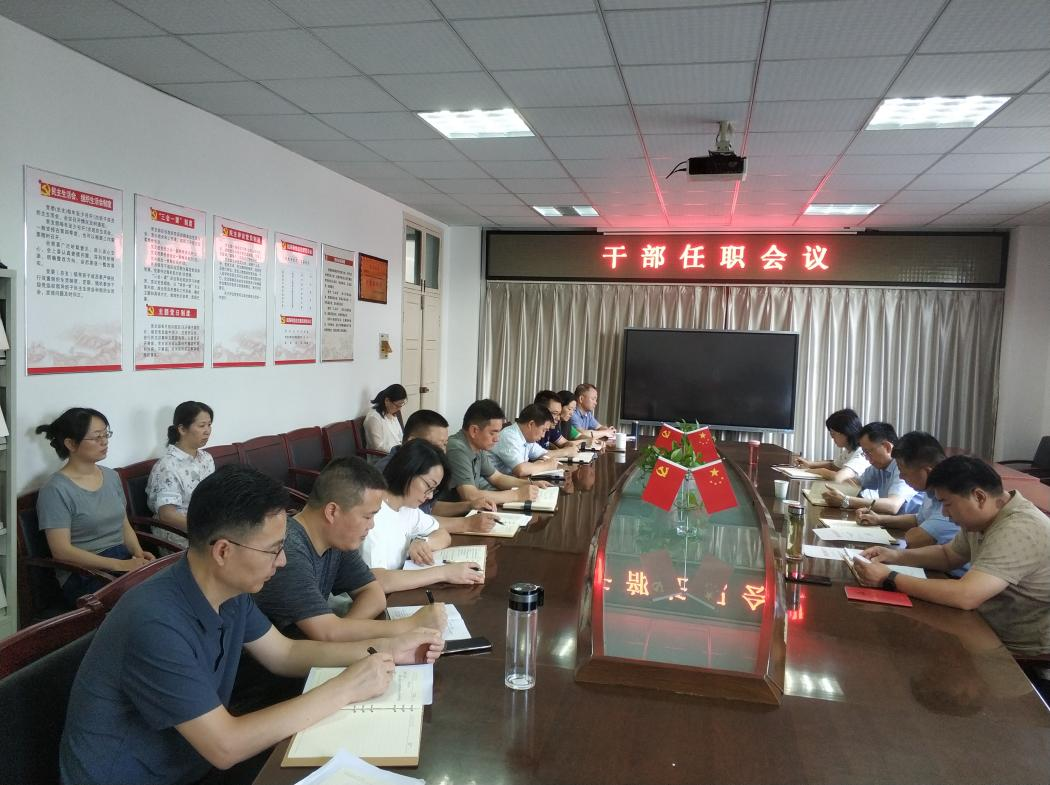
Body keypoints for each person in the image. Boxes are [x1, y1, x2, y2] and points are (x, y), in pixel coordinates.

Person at [59, 465, 443, 785]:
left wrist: (387, 649)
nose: (282, 561)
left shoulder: (229, 590)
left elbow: (285, 653)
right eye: (273, 550)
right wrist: (346, 688)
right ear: (223, 551)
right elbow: (225, 745)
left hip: (191, 764)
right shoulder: (155, 621)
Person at [852, 456, 1050, 656]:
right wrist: (895, 556)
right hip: (979, 626)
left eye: (947, 504)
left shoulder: (1019, 528)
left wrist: (889, 577)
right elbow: (948, 555)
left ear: (979, 497)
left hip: (1015, 648)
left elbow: (966, 595)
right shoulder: (983, 519)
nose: (945, 514)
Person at [253, 457, 447, 641]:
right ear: (332, 512)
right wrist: (410, 625)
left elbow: (374, 594)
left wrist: (342, 631)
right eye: (367, 516)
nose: (371, 525)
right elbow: (327, 634)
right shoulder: (288, 552)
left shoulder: (337, 539)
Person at [35, 408, 154, 604]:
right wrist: (120, 565)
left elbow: (123, 524)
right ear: (70, 444)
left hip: (121, 559)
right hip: (83, 572)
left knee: (169, 586)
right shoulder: (55, 489)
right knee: (149, 600)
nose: (104, 441)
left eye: (106, 434)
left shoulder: (111, 476)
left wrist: (138, 554)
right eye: (97, 437)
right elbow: (61, 551)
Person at [362, 440, 486, 591]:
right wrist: (444, 573)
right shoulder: (373, 514)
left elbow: (443, 534)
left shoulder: (407, 509)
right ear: (407, 470)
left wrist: (423, 542)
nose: (430, 496)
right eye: (428, 486)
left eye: (434, 490)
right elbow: (378, 581)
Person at [377, 409, 499, 533]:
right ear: (412, 442)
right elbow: (411, 521)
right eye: (436, 446)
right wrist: (467, 524)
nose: (442, 452)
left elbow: (429, 508)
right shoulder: (386, 473)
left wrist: (469, 505)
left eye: (445, 445)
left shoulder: (424, 473)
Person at [856, 432, 962, 551]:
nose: (901, 477)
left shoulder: (953, 496)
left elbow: (916, 539)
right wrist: (879, 519)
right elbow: (918, 519)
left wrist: (915, 531)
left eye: (904, 472)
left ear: (927, 472)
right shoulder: (930, 490)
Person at [443, 399, 546, 505]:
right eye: (493, 433)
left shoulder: (478, 446)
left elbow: (497, 478)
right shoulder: (457, 447)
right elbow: (469, 495)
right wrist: (517, 495)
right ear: (474, 431)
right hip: (455, 512)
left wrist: (530, 484)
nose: (497, 439)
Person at [146, 401, 215, 542]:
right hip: (180, 532)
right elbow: (167, 515)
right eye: (202, 425)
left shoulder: (206, 458)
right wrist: (204, 529)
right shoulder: (167, 466)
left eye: (209, 425)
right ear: (182, 429)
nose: (207, 431)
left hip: (208, 524)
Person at [822, 421, 916, 514]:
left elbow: (893, 505)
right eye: (864, 453)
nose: (867, 458)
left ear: (887, 447)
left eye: (868, 452)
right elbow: (856, 483)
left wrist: (846, 500)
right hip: (889, 519)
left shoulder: (903, 466)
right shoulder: (879, 466)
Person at [795, 408, 868, 482]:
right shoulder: (849, 450)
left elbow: (838, 477)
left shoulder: (862, 453)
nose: (832, 437)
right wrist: (809, 464)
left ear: (845, 432)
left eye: (833, 433)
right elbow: (833, 466)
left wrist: (820, 471)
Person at [490, 404, 561, 478]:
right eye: (543, 430)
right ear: (531, 424)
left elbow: (544, 454)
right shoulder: (509, 436)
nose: (543, 435)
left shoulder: (527, 438)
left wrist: (538, 464)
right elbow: (520, 470)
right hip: (494, 485)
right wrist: (546, 466)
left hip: (510, 481)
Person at [534, 390, 582, 458]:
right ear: (541, 411)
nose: (558, 418)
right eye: (554, 413)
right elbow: (537, 454)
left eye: (559, 414)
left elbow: (564, 443)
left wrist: (570, 446)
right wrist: (565, 451)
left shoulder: (551, 427)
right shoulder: (532, 429)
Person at [363, 383, 407, 454]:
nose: (399, 409)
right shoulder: (374, 418)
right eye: (397, 405)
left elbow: (400, 437)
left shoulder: (392, 414)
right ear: (387, 401)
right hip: (383, 457)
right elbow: (378, 447)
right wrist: (399, 451)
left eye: (401, 405)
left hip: (396, 453)